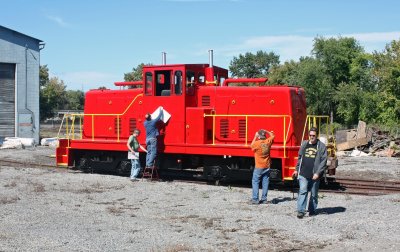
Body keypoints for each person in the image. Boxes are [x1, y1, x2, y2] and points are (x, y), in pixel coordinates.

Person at [292, 127, 327, 218]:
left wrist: (318, 173)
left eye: (313, 135)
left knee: (314, 194)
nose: (312, 137)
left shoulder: (322, 146)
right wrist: (296, 170)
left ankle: (312, 210)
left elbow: (323, 161)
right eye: (310, 135)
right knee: (303, 191)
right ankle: (301, 211)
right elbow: (300, 158)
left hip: (315, 175)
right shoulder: (304, 144)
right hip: (303, 173)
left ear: (317, 136)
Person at [250, 129, 275, 204]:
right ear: (264, 136)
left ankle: (255, 199)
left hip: (259, 166)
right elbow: (273, 135)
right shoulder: (268, 141)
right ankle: (264, 199)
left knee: (255, 181)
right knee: (265, 182)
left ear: (259, 136)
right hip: (267, 165)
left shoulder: (257, 143)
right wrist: (266, 131)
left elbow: (251, 145)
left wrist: (255, 136)